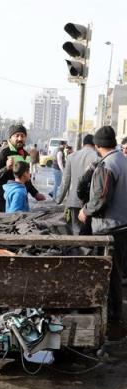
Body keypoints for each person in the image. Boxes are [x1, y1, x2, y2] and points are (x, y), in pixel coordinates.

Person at [79, 126, 127, 322]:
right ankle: (114, 313)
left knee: (108, 273)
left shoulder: (106, 166)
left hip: (109, 228)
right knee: (116, 272)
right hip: (123, 225)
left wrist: (85, 210)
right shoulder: (123, 160)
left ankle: (111, 315)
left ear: (98, 145)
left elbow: (100, 198)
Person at [0, 124, 46, 212]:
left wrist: (35, 193)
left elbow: (26, 177)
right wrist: (6, 168)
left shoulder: (26, 155)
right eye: (17, 135)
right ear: (10, 137)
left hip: (20, 199)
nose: (20, 138)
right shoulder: (3, 152)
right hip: (3, 202)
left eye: (22, 136)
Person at [55, 134, 99, 235]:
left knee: (76, 231)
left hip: (74, 201)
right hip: (90, 203)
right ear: (95, 144)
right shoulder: (98, 157)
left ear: (83, 144)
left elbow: (65, 180)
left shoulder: (71, 157)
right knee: (90, 232)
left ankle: (78, 250)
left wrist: (59, 199)